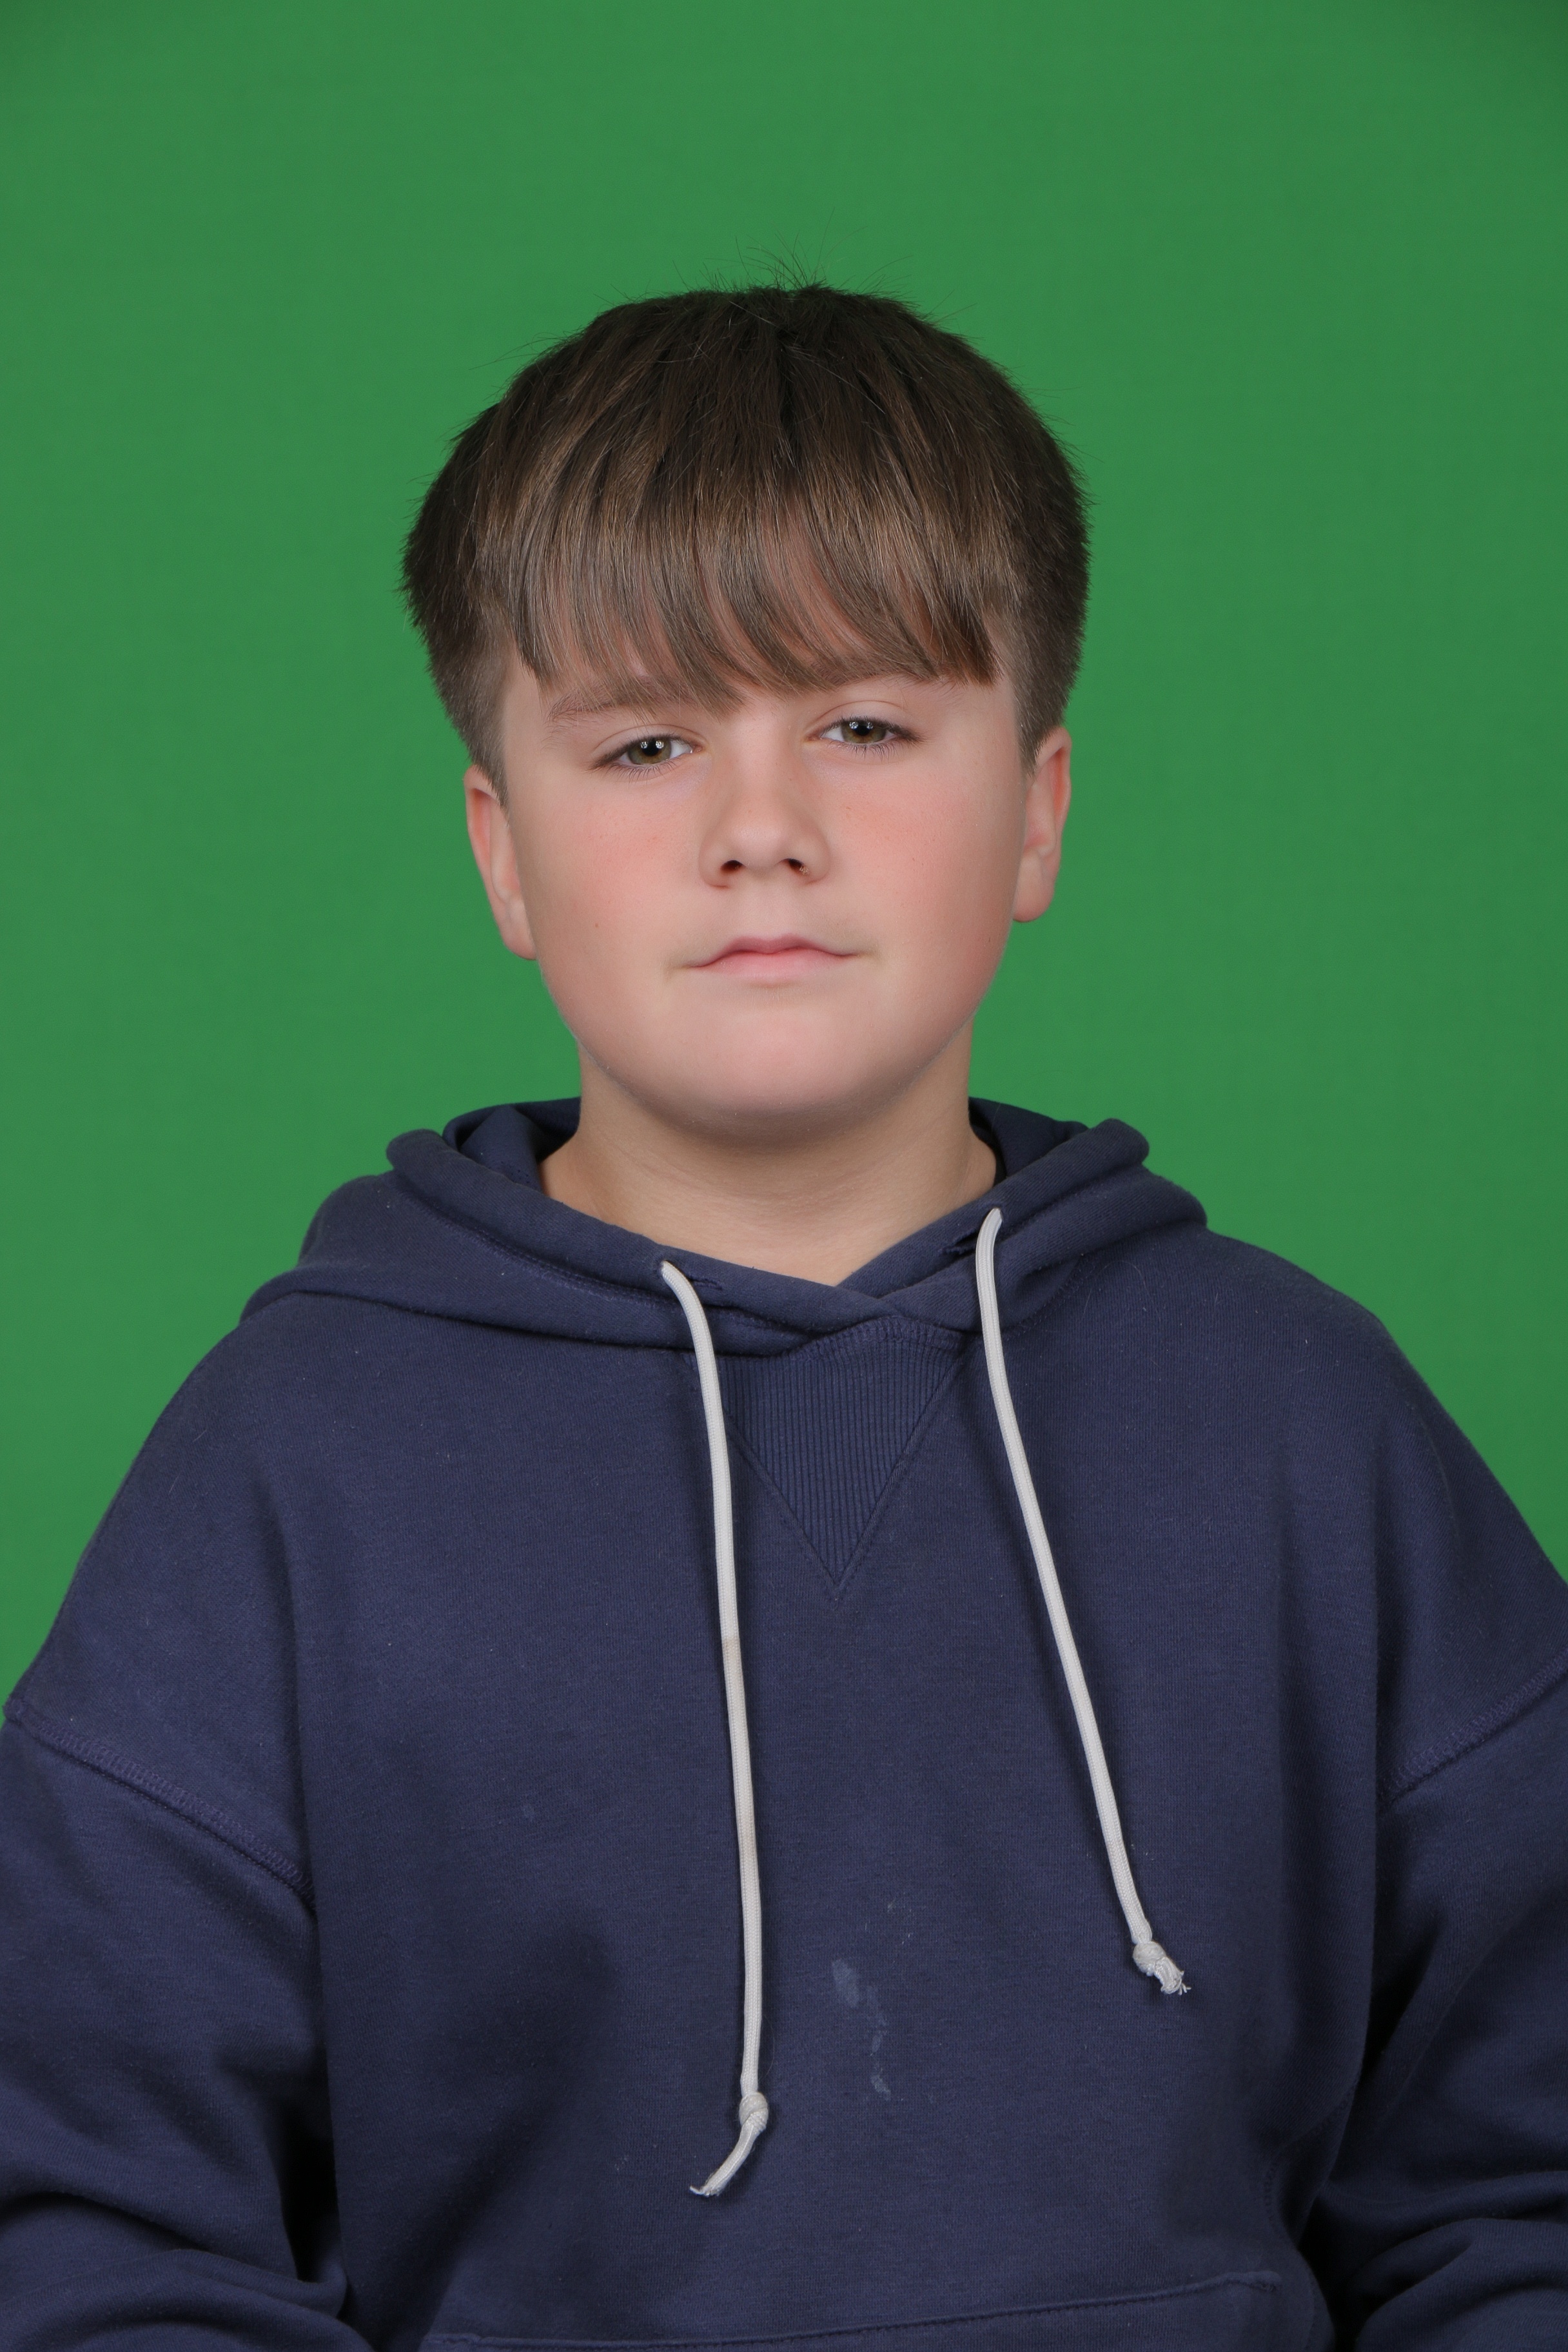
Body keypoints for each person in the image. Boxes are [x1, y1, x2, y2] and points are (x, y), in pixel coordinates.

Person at [1, 282, 1564, 2352]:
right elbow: (100, 2235)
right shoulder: (284, 1474)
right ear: (501, 852)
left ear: (1039, 809)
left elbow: (1524, 2195)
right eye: (647, 743)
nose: (762, 831)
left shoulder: (1306, 1425)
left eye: (867, 726)